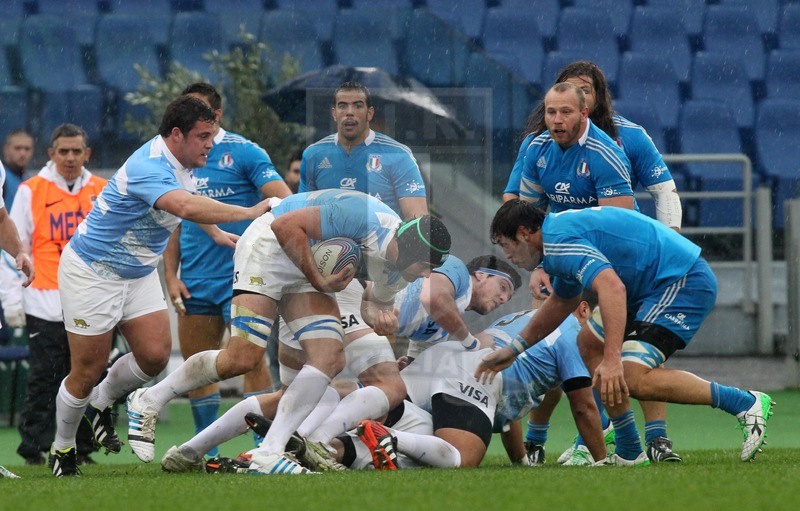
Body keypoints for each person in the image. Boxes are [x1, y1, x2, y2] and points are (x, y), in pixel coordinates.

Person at [125, 189, 451, 475]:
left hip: (304, 266)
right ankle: (151, 397)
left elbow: (371, 306)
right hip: (268, 245)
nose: (425, 275)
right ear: (409, 249)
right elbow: (283, 224)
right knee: (242, 358)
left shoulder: (402, 270)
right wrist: (319, 280)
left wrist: (379, 320)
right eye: (425, 266)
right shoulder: (365, 217)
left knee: (328, 359)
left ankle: (267, 452)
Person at [49, 95, 272, 477]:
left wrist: (216, 232)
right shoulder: (148, 165)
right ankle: (63, 448)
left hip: (136, 273)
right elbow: (183, 206)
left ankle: (102, 401)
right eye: (202, 136)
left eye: (212, 135)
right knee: (86, 370)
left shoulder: (186, 161)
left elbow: (190, 200)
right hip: (92, 272)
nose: (209, 144)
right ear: (175, 135)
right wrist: (249, 212)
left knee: (154, 357)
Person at [477, 200, 775, 465]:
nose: (508, 255)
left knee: (631, 376)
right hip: (647, 287)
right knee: (587, 342)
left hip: (681, 283)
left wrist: (613, 359)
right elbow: (561, 301)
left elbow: (612, 287)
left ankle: (744, 402)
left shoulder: (559, 241)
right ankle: (630, 451)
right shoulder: (555, 242)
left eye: (506, 245)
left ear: (524, 233)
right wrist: (515, 349)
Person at [506, 63, 684, 463]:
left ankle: (654, 438)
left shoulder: (625, 137)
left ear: (595, 100)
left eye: (586, 92)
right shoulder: (539, 145)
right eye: (569, 97)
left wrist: (667, 247)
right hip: (563, 260)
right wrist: (538, 263)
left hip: (619, 261)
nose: (578, 101)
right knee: (554, 345)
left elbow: (665, 193)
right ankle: (544, 439)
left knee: (632, 348)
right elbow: (517, 204)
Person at [163, 83, 291, 455]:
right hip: (195, 278)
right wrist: (171, 275)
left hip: (244, 278)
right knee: (198, 364)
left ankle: (263, 446)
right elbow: (171, 220)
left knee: (250, 361)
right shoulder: (176, 159)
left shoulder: (245, 152)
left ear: (216, 116)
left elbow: (282, 199)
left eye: (200, 115)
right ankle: (208, 450)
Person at [0, 125, 107, 467]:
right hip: (44, 299)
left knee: (89, 374)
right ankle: (36, 446)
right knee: (45, 377)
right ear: (51, 154)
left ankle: (81, 446)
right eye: (64, 151)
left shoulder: (102, 191)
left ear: (87, 153)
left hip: (92, 299)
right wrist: (12, 300)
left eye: (77, 151)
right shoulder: (32, 190)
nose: (71, 158)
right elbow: (13, 248)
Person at [395, 254, 521, 363]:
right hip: (376, 311)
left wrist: (407, 367)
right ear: (481, 275)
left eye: (508, 298)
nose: (504, 299)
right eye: (503, 287)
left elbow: (418, 357)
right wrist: (474, 344)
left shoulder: (447, 326)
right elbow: (433, 297)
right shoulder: (456, 267)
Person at [1, 129, 35, 211]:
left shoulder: (30, 179)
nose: (22, 153)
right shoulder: (2, 178)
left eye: (27, 149)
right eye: (17, 148)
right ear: (6, 150)